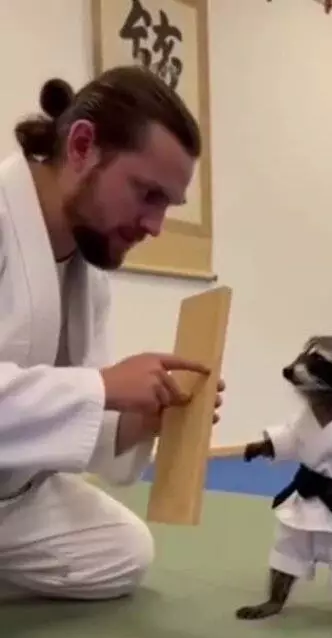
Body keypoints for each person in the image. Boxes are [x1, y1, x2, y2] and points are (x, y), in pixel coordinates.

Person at [0, 65, 225, 601]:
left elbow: (75, 426)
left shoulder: (87, 267)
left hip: (12, 499)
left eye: (168, 205)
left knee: (122, 551)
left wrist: (141, 417)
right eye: (147, 194)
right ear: (82, 147)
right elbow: (86, 394)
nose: (155, 225)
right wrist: (102, 387)